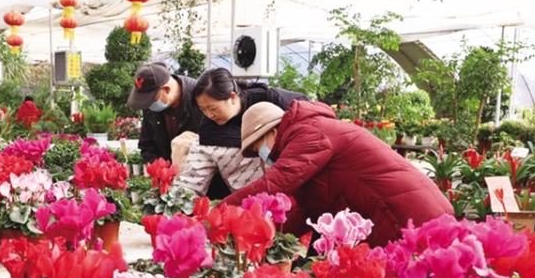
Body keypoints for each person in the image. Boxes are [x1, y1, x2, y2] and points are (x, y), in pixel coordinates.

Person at [223, 100, 454, 247]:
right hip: (406, 212)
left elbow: (277, 181)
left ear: (271, 132)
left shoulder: (309, 133)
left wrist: (220, 212)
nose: (263, 156)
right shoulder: (307, 139)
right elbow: (308, 210)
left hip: (405, 215)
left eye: (259, 149)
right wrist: (264, 236)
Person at [175, 68, 309, 199]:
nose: (209, 115)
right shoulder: (208, 134)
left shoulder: (271, 99)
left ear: (232, 97)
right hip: (249, 199)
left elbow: (307, 122)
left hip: (294, 188)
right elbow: (192, 181)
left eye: (213, 108)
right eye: (203, 109)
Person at [127, 62, 203, 164]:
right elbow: (147, 145)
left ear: (166, 90)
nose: (147, 104)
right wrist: (161, 168)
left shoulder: (201, 97)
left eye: (150, 99)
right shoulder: (150, 106)